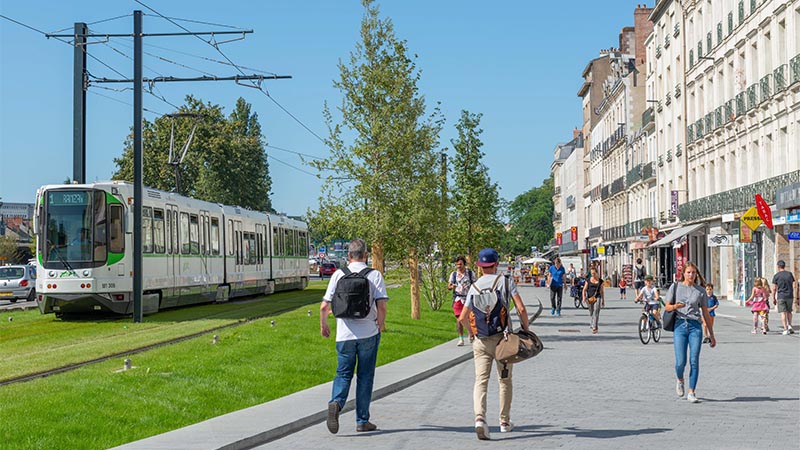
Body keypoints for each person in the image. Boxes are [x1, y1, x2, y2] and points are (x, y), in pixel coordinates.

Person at [458, 248, 529, 440]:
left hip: (481, 340)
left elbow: (462, 317)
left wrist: (472, 333)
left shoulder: (474, 287)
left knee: (481, 380)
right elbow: (521, 308)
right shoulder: (505, 281)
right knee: (504, 380)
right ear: (496, 264)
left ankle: (480, 419)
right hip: (503, 341)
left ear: (480, 267)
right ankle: (504, 421)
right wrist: (526, 329)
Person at [320, 239, 389, 434]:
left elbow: (324, 306)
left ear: (348, 256)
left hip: (344, 335)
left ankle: (336, 402)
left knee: (343, 373)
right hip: (368, 333)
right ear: (365, 255)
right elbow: (382, 305)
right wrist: (381, 324)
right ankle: (362, 420)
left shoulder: (338, 275)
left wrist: (324, 325)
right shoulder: (374, 275)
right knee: (365, 377)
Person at [664, 261, 716, 403]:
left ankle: (691, 391)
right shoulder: (675, 287)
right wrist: (676, 306)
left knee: (694, 360)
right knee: (681, 362)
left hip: (695, 326)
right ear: (683, 273)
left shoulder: (700, 291)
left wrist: (711, 335)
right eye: (688, 272)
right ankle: (680, 379)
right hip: (680, 325)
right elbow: (667, 307)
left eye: (693, 272)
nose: (691, 275)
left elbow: (706, 313)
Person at [447, 255, 476, 346]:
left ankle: (471, 333)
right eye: (457, 265)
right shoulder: (454, 274)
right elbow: (449, 286)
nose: (458, 266)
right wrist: (452, 287)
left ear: (464, 264)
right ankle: (461, 338)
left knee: (469, 318)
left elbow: (475, 285)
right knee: (459, 319)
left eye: (460, 264)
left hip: (468, 298)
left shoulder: (470, 273)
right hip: (458, 298)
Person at [772, 260, 795, 335]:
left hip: (781, 296)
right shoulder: (789, 274)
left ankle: (785, 329)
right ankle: (790, 325)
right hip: (790, 295)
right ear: (784, 266)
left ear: (778, 266)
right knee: (789, 311)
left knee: (783, 313)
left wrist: (773, 298)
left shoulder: (776, 276)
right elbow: (793, 284)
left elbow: (774, 288)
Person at [582, 266, 604, 333]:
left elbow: (602, 291)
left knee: (596, 311)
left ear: (597, 273)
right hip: (589, 298)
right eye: (592, 273)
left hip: (598, 297)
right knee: (591, 312)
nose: (593, 275)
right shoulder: (588, 280)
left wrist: (603, 300)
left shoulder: (600, 281)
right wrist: (583, 297)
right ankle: (592, 322)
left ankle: (595, 327)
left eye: (594, 273)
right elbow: (584, 289)